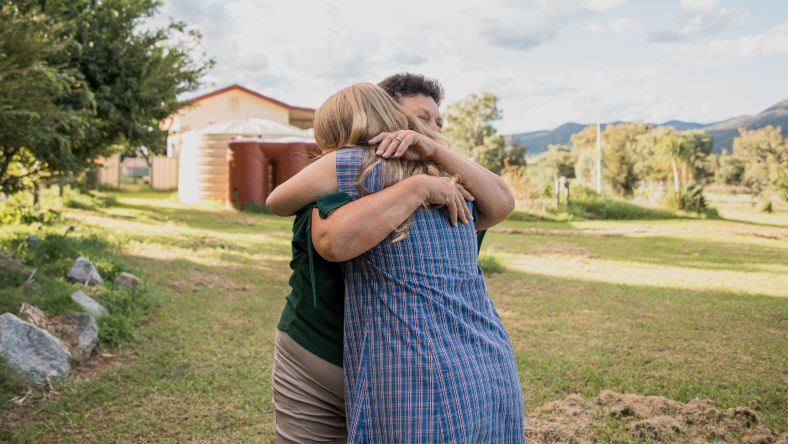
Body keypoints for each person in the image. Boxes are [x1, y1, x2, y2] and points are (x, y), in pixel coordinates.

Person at [268, 82, 525, 442]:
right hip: (324, 348)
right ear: (386, 117)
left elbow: (501, 203)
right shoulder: (350, 173)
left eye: (439, 122)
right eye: (420, 119)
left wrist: (433, 159)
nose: (432, 128)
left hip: (400, 364)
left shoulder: (453, 183)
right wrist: (417, 186)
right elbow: (332, 240)